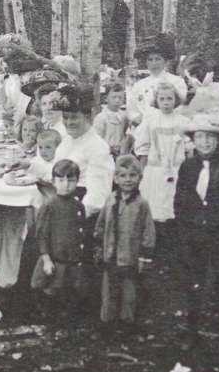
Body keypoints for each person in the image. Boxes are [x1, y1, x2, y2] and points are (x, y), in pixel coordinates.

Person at [174, 116, 219, 350]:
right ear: (193, 140)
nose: (204, 142)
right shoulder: (187, 166)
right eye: (200, 137)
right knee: (194, 280)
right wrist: (187, 228)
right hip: (194, 233)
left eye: (209, 137)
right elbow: (180, 202)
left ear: (217, 140)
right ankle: (191, 329)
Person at [94, 155, 156, 332]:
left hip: (130, 258)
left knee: (129, 293)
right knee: (108, 292)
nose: (127, 180)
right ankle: (107, 323)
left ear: (140, 178)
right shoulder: (111, 199)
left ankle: (126, 325)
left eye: (132, 175)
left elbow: (148, 231)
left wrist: (145, 257)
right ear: (115, 178)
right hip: (110, 256)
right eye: (122, 175)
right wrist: (99, 247)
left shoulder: (142, 204)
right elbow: (101, 224)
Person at [30, 160, 90, 324]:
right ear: (54, 181)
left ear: (77, 181)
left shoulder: (78, 205)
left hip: (73, 258)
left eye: (71, 180)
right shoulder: (50, 205)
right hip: (56, 258)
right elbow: (42, 234)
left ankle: (67, 318)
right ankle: (48, 318)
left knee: (71, 287)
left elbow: (81, 230)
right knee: (52, 288)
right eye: (61, 180)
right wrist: (46, 259)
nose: (66, 185)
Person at [134, 81, 193, 229]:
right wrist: (142, 172)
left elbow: (189, 148)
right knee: (155, 210)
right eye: (162, 99)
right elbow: (143, 149)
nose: (166, 103)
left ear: (176, 100)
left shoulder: (183, 122)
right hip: (155, 171)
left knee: (175, 208)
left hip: (178, 170)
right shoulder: (150, 121)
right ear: (156, 101)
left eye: (169, 99)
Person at [52, 85, 115, 217]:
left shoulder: (98, 147)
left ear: (87, 116)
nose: (69, 122)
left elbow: (98, 195)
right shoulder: (66, 141)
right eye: (66, 117)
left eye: (74, 117)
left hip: (82, 216)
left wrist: (73, 217)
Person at [126, 33, 187, 127]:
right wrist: (138, 119)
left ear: (165, 61)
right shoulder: (139, 85)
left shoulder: (176, 82)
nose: (154, 63)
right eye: (150, 60)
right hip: (144, 127)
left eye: (157, 59)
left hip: (169, 126)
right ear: (146, 62)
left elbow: (182, 107)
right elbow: (131, 109)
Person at [93, 84, 128, 156]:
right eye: (114, 97)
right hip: (105, 153)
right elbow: (97, 139)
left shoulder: (124, 116)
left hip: (121, 152)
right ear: (106, 98)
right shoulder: (101, 117)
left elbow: (124, 135)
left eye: (120, 98)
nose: (117, 100)